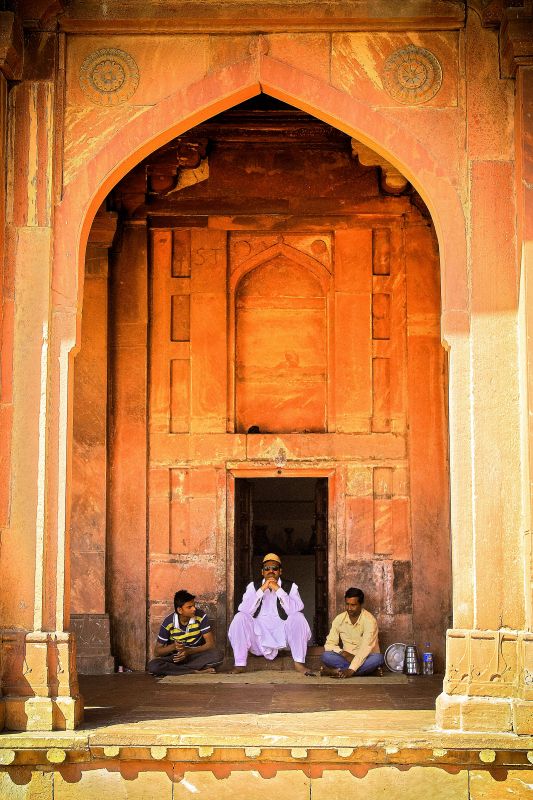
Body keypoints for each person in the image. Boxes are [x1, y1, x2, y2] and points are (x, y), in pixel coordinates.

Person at [228, 552, 312, 674]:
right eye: (267, 568)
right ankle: (240, 664)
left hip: (283, 637)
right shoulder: (253, 586)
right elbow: (244, 609)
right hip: (258, 636)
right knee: (239, 617)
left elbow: (295, 609)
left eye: (275, 568)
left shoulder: (291, 587)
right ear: (262, 572)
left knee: (298, 617)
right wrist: (262, 589)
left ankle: (299, 663)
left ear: (280, 571)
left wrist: (278, 590)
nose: (270, 571)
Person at [147, 589, 223, 676]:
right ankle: (194, 671)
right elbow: (157, 652)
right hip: (176, 658)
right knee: (153, 665)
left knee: (218, 655)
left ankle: (178, 670)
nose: (194, 609)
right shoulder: (168, 622)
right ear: (180, 610)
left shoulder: (201, 617)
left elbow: (210, 644)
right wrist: (174, 646)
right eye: (189, 607)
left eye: (194, 606)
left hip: (194, 655)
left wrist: (187, 652)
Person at [320, 587, 384, 678]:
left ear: (361, 604)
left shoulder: (370, 620)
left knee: (378, 658)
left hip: (366, 658)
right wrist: (343, 653)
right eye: (347, 604)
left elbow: (366, 648)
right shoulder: (339, 619)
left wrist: (352, 669)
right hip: (345, 658)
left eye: (353, 605)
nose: (349, 608)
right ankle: (369, 672)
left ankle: (334, 672)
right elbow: (329, 644)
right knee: (326, 656)